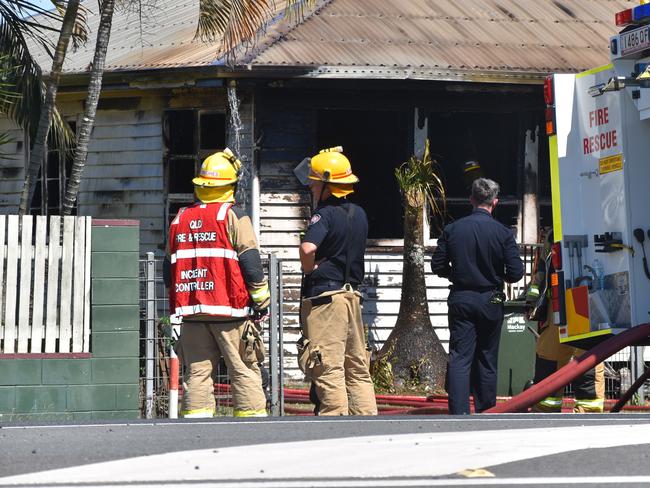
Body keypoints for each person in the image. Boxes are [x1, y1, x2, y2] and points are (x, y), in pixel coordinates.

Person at [166, 148, 270, 418]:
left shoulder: (180, 219)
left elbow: (169, 269)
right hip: (230, 312)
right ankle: (252, 426)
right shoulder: (233, 217)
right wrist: (261, 302)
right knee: (243, 369)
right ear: (231, 186)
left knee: (197, 373)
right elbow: (251, 263)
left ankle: (197, 428)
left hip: (192, 312)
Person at [431, 178, 524, 414]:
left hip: (461, 296)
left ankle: (459, 412)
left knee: (460, 357)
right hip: (490, 298)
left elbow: (437, 265)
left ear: (471, 199)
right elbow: (516, 273)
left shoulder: (452, 230)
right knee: (487, 357)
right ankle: (486, 411)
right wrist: (497, 275)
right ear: (495, 202)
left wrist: (457, 274)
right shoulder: (503, 233)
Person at [296, 147, 377, 416]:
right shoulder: (360, 213)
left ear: (327, 184)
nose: (311, 187)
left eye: (314, 183)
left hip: (326, 300)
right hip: (351, 297)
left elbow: (308, 249)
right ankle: (366, 421)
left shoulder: (325, 214)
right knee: (356, 366)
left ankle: (334, 423)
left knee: (328, 365)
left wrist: (310, 270)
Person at [526, 229, 605, 413]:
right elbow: (541, 272)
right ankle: (545, 408)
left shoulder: (593, 226)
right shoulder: (552, 235)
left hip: (585, 300)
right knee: (549, 357)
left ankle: (589, 410)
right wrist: (532, 301)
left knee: (586, 357)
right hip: (556, 304)